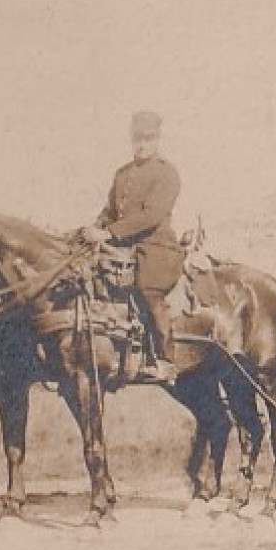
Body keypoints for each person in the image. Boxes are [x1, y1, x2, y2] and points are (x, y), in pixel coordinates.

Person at [78, 111, 184, 383]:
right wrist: (93, 229)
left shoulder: (166, 172)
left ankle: (164, 359)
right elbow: (110, 209)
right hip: (120, 247)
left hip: (154, 248)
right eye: (137, 138)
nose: (141, 144)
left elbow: (151, 215)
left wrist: (108, 233)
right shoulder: (122, 173)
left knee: (148, 289)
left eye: (148, 139)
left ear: (157, 139)